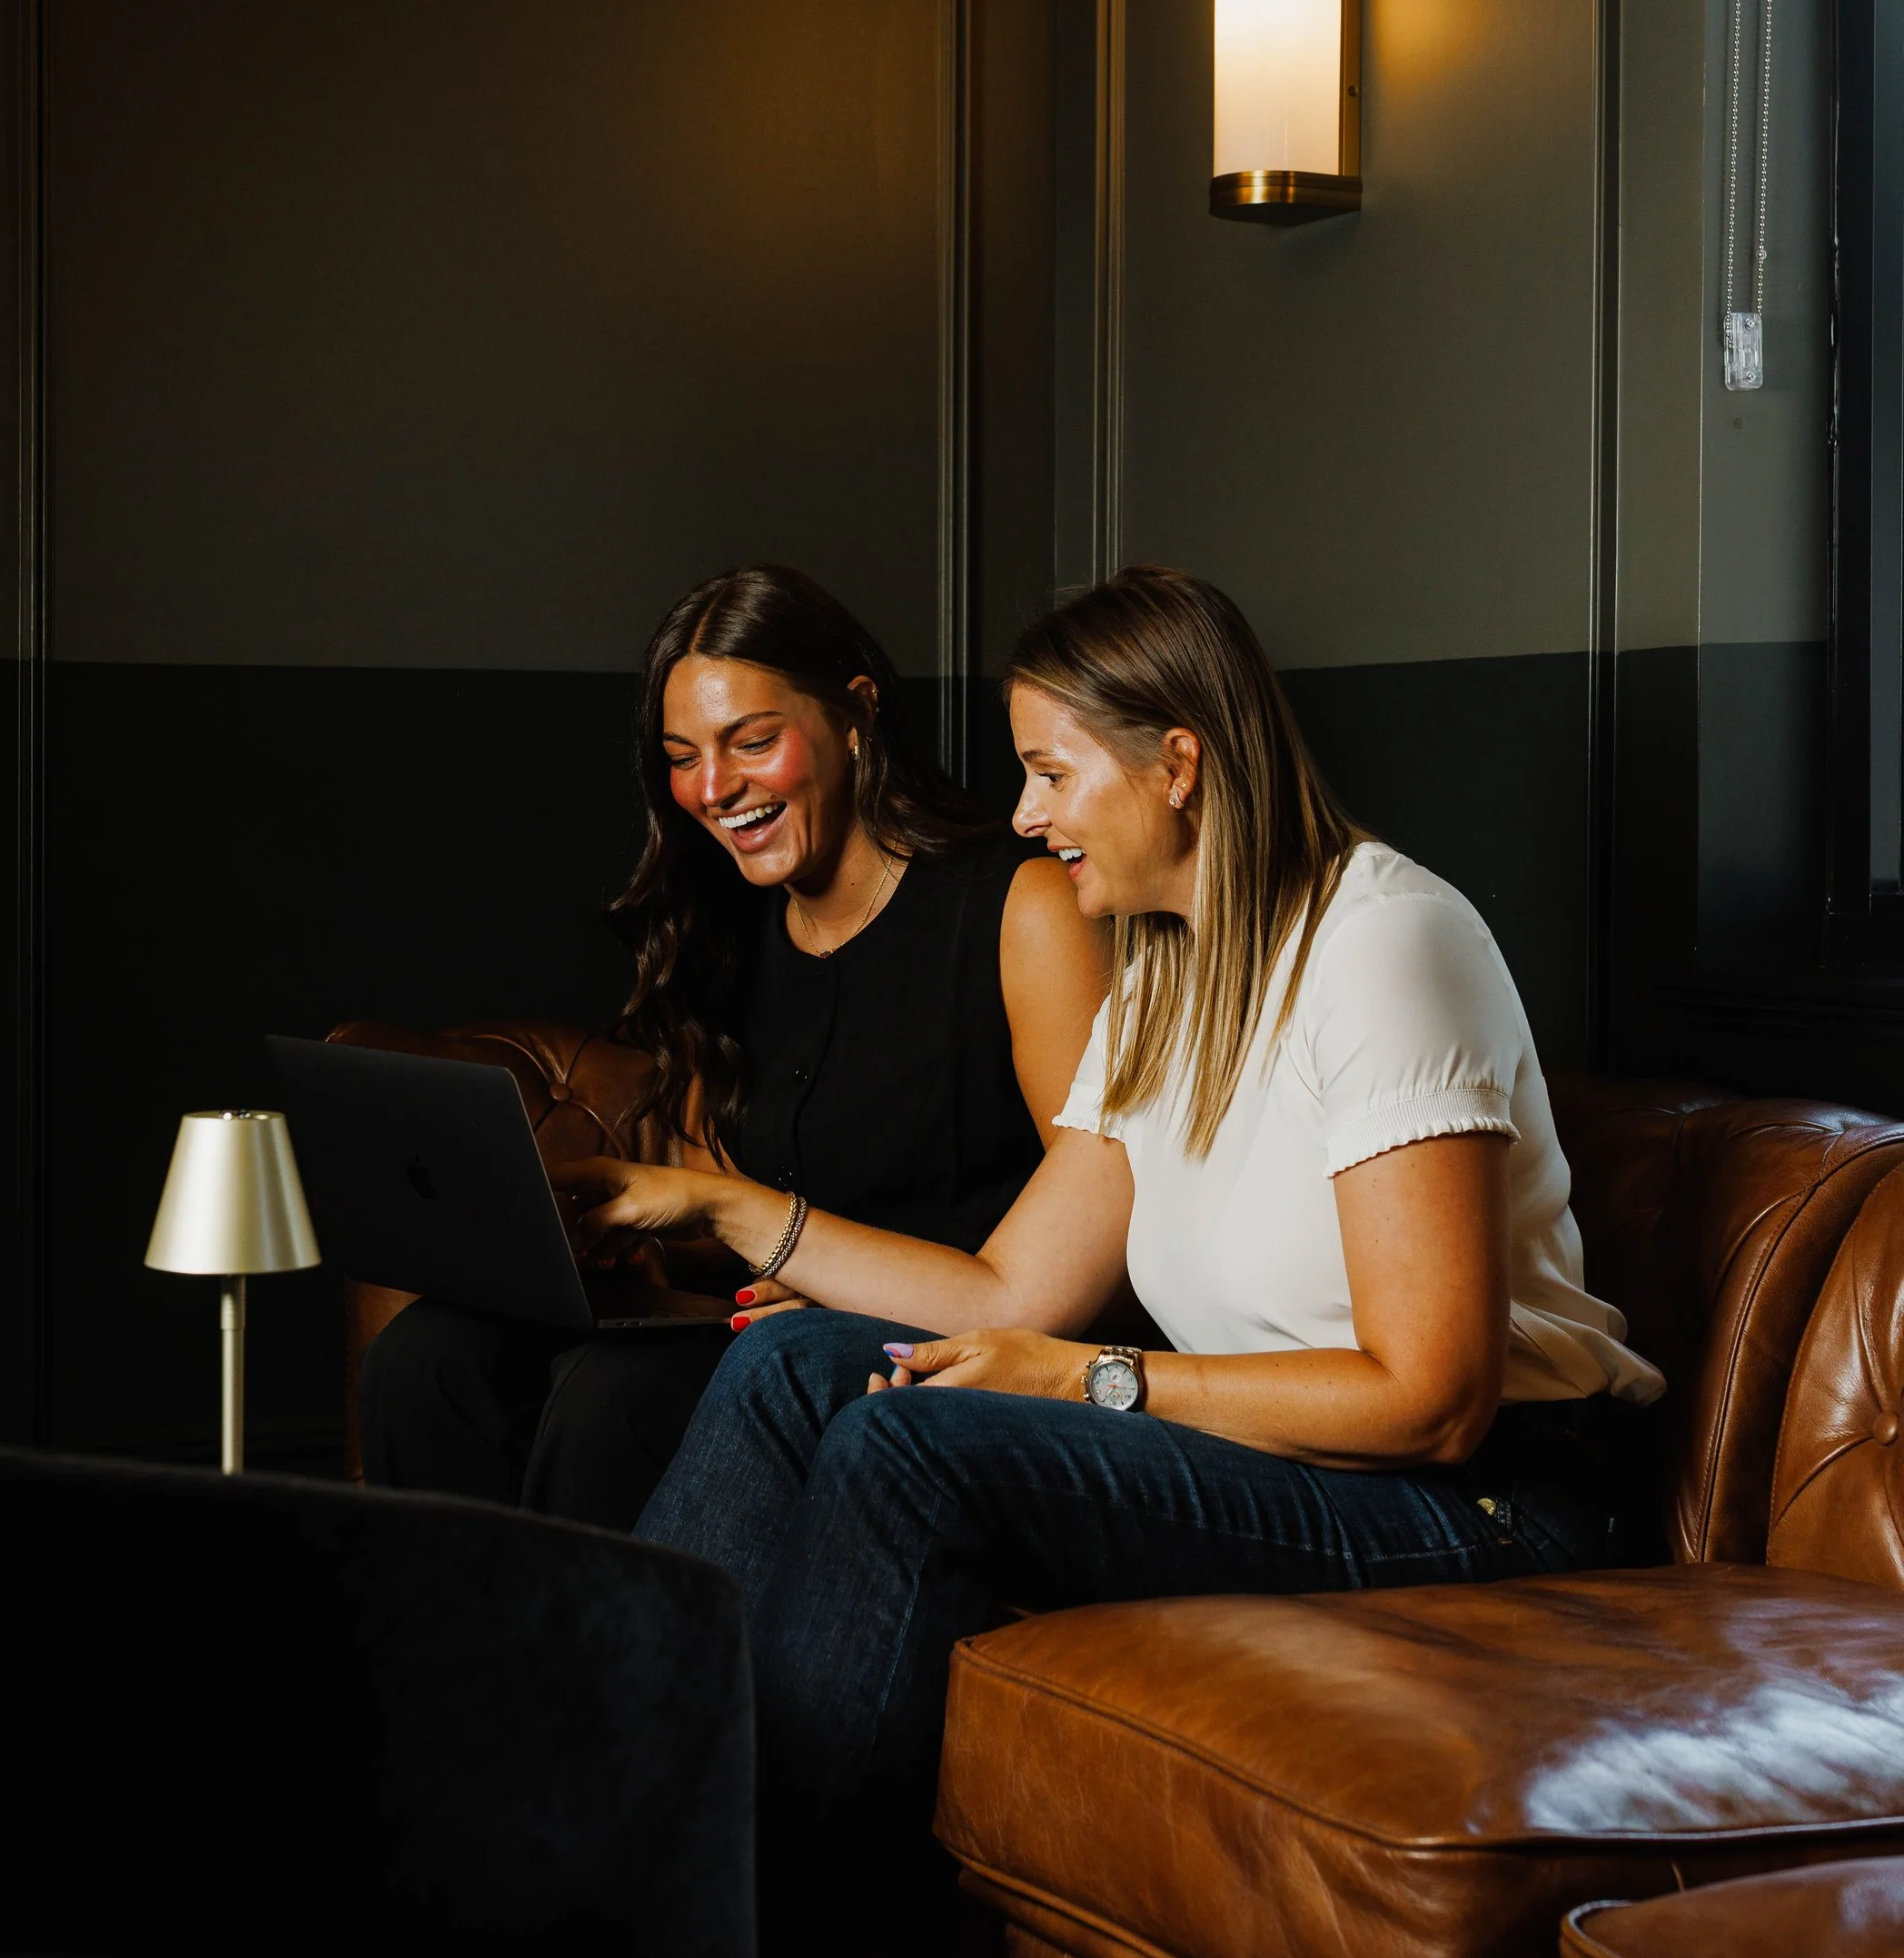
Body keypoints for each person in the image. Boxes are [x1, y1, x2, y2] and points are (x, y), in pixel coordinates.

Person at [574, 562, 1664, 1849]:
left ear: (1179, 766)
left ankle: (758, 1935)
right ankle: (600, 1816)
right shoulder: (1165, 972)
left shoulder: (1386, 944)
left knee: (906, 1444)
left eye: (1054, 773)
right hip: (1285, 1457)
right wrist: (736, 1211)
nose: (1028, 818)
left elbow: (1431, 1399)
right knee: (798, 1359)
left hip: (1492, 1503)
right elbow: (1011, 1294)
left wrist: (1093, 1381)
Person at [356, 563, 1108, 1530]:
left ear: (856, 714)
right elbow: (730, 1215)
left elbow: (1090, 1237)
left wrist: (799, 1270)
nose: (713, 790)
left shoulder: (1020, 906)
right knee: (430, 1356)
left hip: (926, 1339)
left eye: (752, 741)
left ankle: (586, 1677)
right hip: (765, 1327)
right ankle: (455, 1674)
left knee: (610, 1400)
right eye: (682, 755)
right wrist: (631, 1248)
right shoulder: (726, 925)